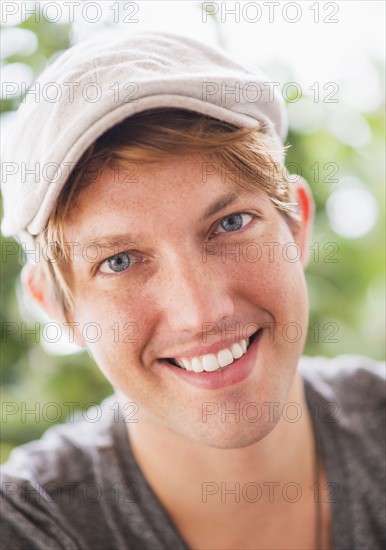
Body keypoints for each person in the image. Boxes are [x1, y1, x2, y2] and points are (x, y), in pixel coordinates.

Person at [0, 32, 384, 550]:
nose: (200, 312)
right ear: (57, 306)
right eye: (119, 261)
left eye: (230, 224)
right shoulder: (29, 526)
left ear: (296, 227)